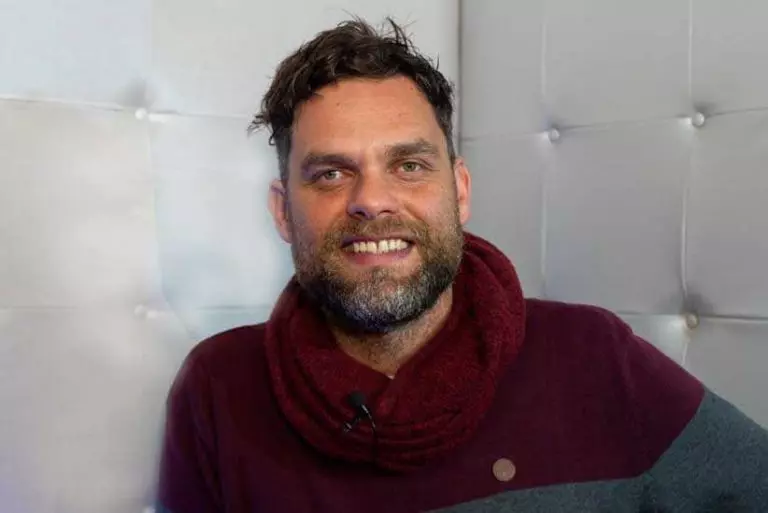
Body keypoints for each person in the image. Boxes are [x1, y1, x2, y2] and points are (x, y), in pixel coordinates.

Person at [156, 17, 768, 513]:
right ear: (283, 211)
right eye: (332, 174)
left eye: (409, 166)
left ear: (461, 190)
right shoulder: (218, 388)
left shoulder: (597, 357)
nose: (372, 200)